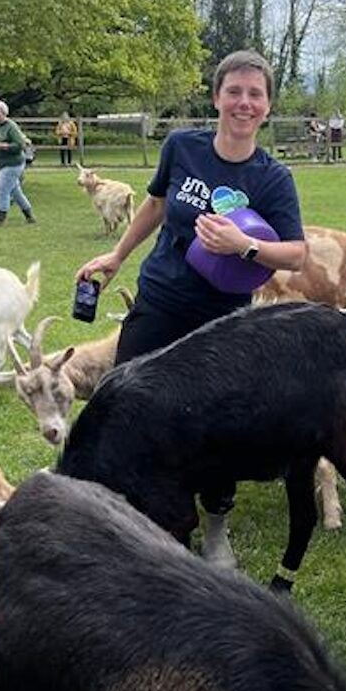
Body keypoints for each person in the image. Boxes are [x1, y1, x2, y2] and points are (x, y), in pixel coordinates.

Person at [76, 50, 307, 554]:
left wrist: (242, 246)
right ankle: (123, 517)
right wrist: (117, 255)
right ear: (217, 96)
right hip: (161, 299)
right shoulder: (183, 147)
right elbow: (157, 204)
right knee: (127, 403)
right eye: (235, 92)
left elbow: (296, 254)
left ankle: (216, 528)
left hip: (221, 317)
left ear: (267, 106)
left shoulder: (272, 178)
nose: (244, 103)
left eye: (255, 94)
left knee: (216, 424)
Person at [0, 100, 36, 226]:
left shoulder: (11, 126)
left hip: (13, 163)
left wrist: (5, 146)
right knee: (16, 192)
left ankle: (0, 219)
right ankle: (29, 216)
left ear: (4, 112)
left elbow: (20, 144)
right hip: (1, 163)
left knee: (2, 189)